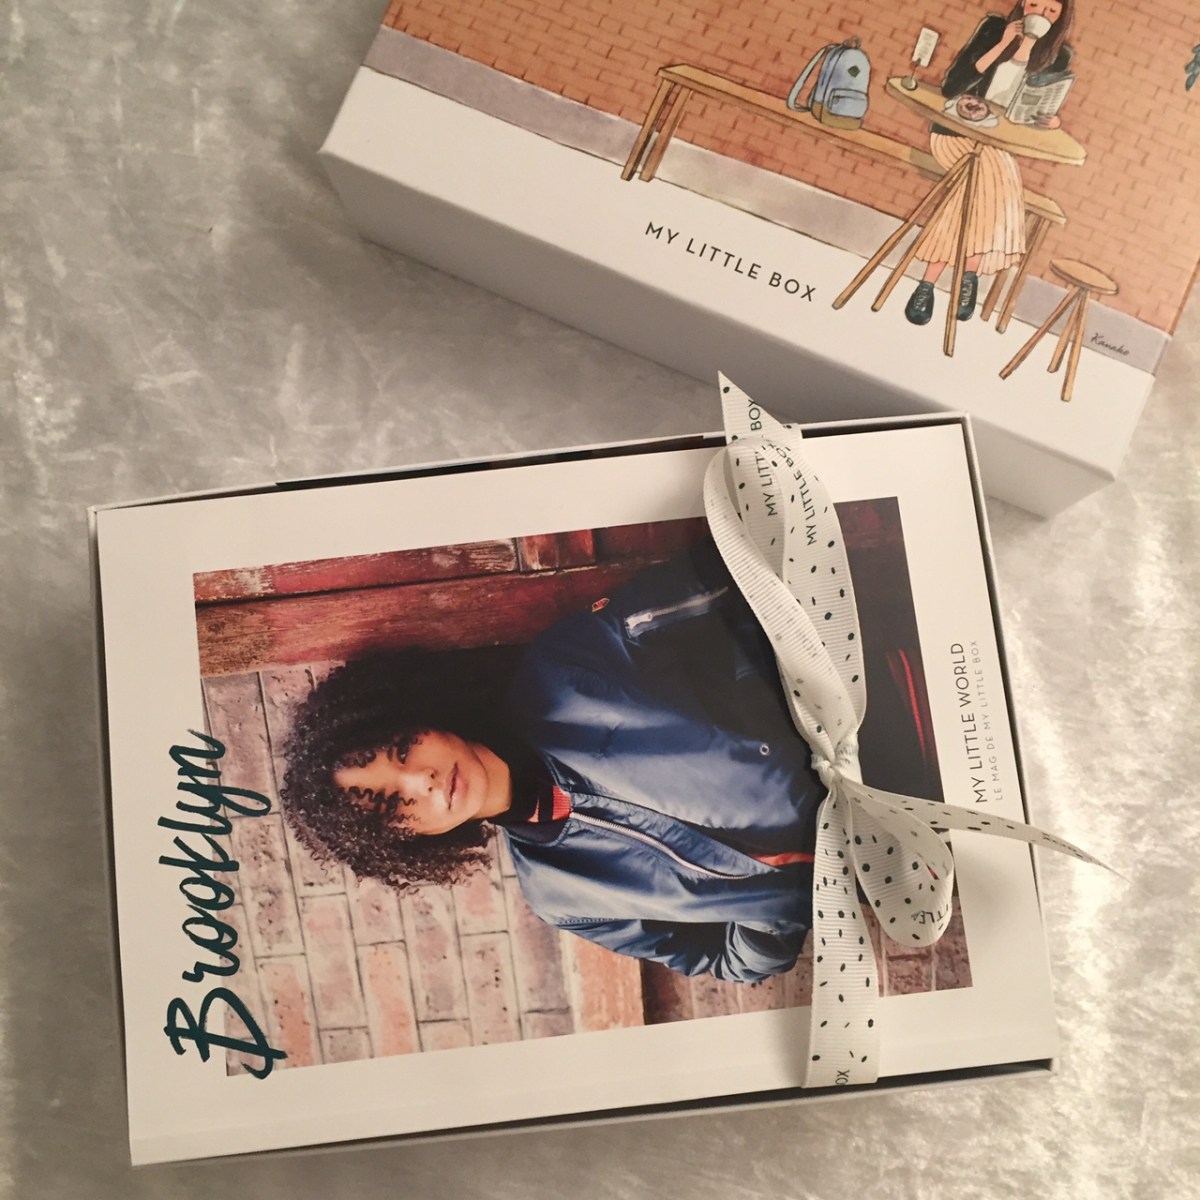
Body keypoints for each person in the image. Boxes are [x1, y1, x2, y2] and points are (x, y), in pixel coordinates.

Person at [280, 540, 826, 983]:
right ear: (406, 841)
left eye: (402, 749)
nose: (420, 779)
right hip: (867, 878)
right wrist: (776, 911)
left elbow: (726, 582)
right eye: (393, 804)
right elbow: (722, 960)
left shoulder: (567, 672)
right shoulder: (560, 897)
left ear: (415, 712)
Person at [904, 0, 1074, 327]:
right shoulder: (995, 29)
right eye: (1035, 4)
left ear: (1060, 19)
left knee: (980, 184)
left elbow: (1039, 106)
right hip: (955, 134)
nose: (1041, 14)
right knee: (995, 180)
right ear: (1023, 4)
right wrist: (1002, 44)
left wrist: (1051, 120)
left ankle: (927, 284)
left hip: (997, 147)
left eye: (1051, 11)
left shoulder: (1058, 56)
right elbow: (952, 87)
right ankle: (967, 277)